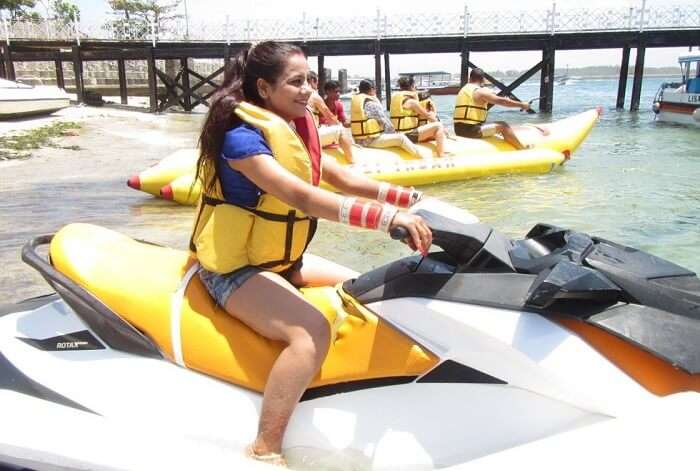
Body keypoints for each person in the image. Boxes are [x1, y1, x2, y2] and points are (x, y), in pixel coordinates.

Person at [192, 41, 432, 467]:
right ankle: (265, 448)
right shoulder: (241, 139)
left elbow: (341, 177)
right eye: (296, 82)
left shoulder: (295, 129)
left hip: (282, 262)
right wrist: (384, 220)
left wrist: (412, 199)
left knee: (363, 286)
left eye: (311, 81)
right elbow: (299, 196)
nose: (307, 91)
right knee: (311, 332)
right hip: (233, 269)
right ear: (264, 88)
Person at [453, 68, 547, 150]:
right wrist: (522, 105)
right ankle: (521, 148)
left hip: (458, 129)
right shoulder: (480, 91)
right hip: (471, 131)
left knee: (493, 124)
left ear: (470, 78)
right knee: (503, 126)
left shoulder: (464, 89)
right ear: (483, 80)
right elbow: (502, 102)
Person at [350, 79, 425, 159]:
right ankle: (421, 158)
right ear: (371, 89)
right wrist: (394, 133)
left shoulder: (358, 103)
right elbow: (385, 122)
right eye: (375, 88)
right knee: (401, 138)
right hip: (371, 141)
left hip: (359, 140)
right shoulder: (371, 104)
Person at [390, 76, 448, 156]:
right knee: (438, 126)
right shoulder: (412, 102)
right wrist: (444, 129)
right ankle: (441, 155)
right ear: (412, 86)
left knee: (435, 134)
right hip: (407, 135)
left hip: (398, 134)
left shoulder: (399, 99)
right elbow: (428, 116)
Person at [307, 71, 355, 163]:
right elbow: (332, 120)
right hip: (313, 137)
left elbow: (343, 122)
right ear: (312, 80)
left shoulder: (297, 96)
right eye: (317, 81)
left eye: (339, 92)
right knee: (340, 130)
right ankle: (352, 162)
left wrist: (354, 121)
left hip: (306, 135)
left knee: (339, 128)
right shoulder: (315, 97)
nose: (338, 94)